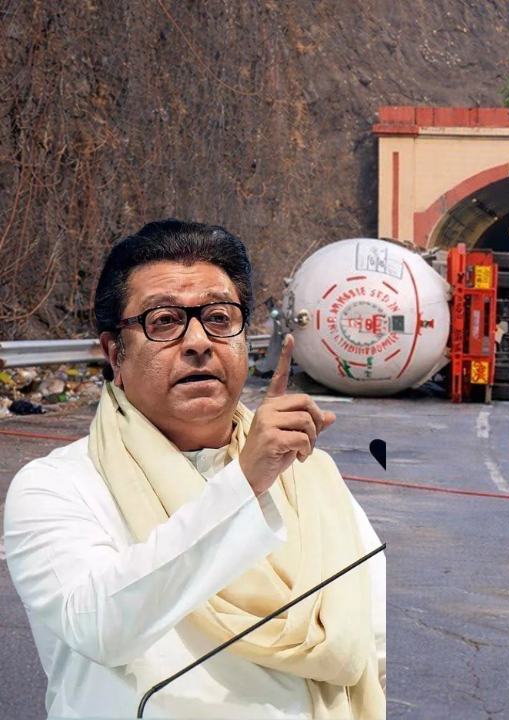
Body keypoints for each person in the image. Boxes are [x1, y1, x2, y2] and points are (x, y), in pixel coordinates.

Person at [3, 220, 386, 718]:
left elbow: (369, 642)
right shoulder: (58, 487)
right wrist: (245, 483)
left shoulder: (310, 477)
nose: (198, 341)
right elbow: (99, 628)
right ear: (115, 352)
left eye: (220, 317)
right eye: (164, 321)